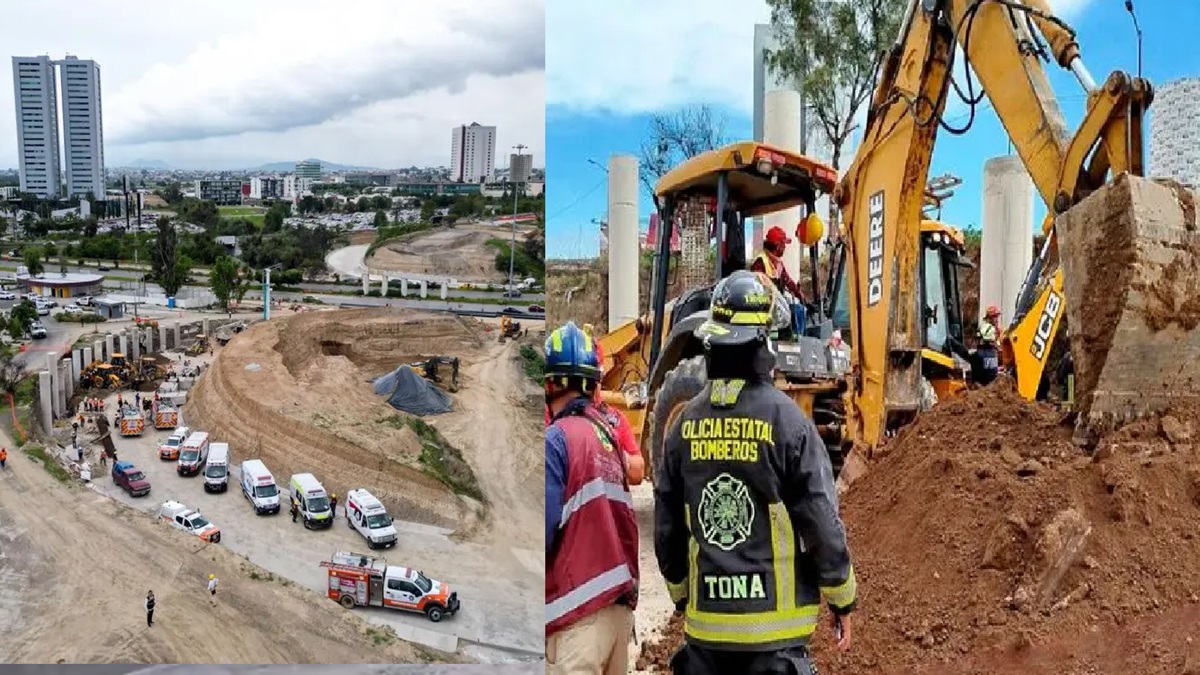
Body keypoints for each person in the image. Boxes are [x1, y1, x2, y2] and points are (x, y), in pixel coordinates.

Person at [655, 270, 858, 675]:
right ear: (763, 343)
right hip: (773, 647)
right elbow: (821, 520)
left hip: (705, 645)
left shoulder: (682, 428)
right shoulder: (790, 425)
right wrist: (842, 599)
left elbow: (667, 527)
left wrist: (683, 596)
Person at [545, 321, 639, 675]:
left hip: (577, 620)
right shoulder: (608, 437)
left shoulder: (556, 440)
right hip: (618, 613)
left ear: (550, 383)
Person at [977, 305, 1002, 385]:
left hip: (989, 356)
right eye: (995, 317)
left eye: (997, 317)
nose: (996, 319)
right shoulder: (987, 329)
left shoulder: (996, 329)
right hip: (987, 355)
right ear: (989, 318)